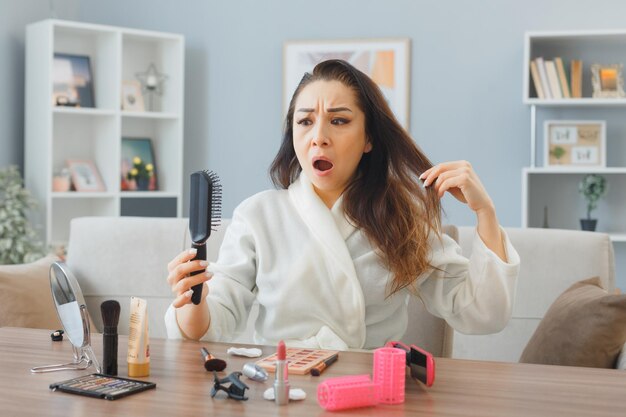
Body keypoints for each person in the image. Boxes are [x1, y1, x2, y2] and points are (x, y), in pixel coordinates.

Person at [165, 59, 520, 350]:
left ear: (368, 139)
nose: (318, 136)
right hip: (281, 389)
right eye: (305, 121)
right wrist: (191, 300)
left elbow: (482, 312)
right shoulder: (258, 216)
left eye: (339, 121)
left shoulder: (401, 216)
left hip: (371, 391)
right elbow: (211, 326)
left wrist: (484, 213)